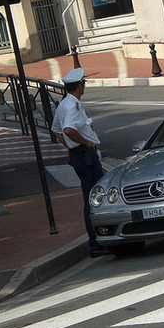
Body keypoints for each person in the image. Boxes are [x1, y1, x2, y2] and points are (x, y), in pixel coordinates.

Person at [51, 68, 108, 258]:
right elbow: (67, 130)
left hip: (79, 154)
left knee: (92, 196)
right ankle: (97, 242)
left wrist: (71, 146)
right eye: (83, 84)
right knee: (94, 198)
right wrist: (85, 144)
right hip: (85, 155)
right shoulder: (72, 106)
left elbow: (57, 130)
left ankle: (98, 240)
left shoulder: (65, 104)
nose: (84, 87)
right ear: (79, 85)